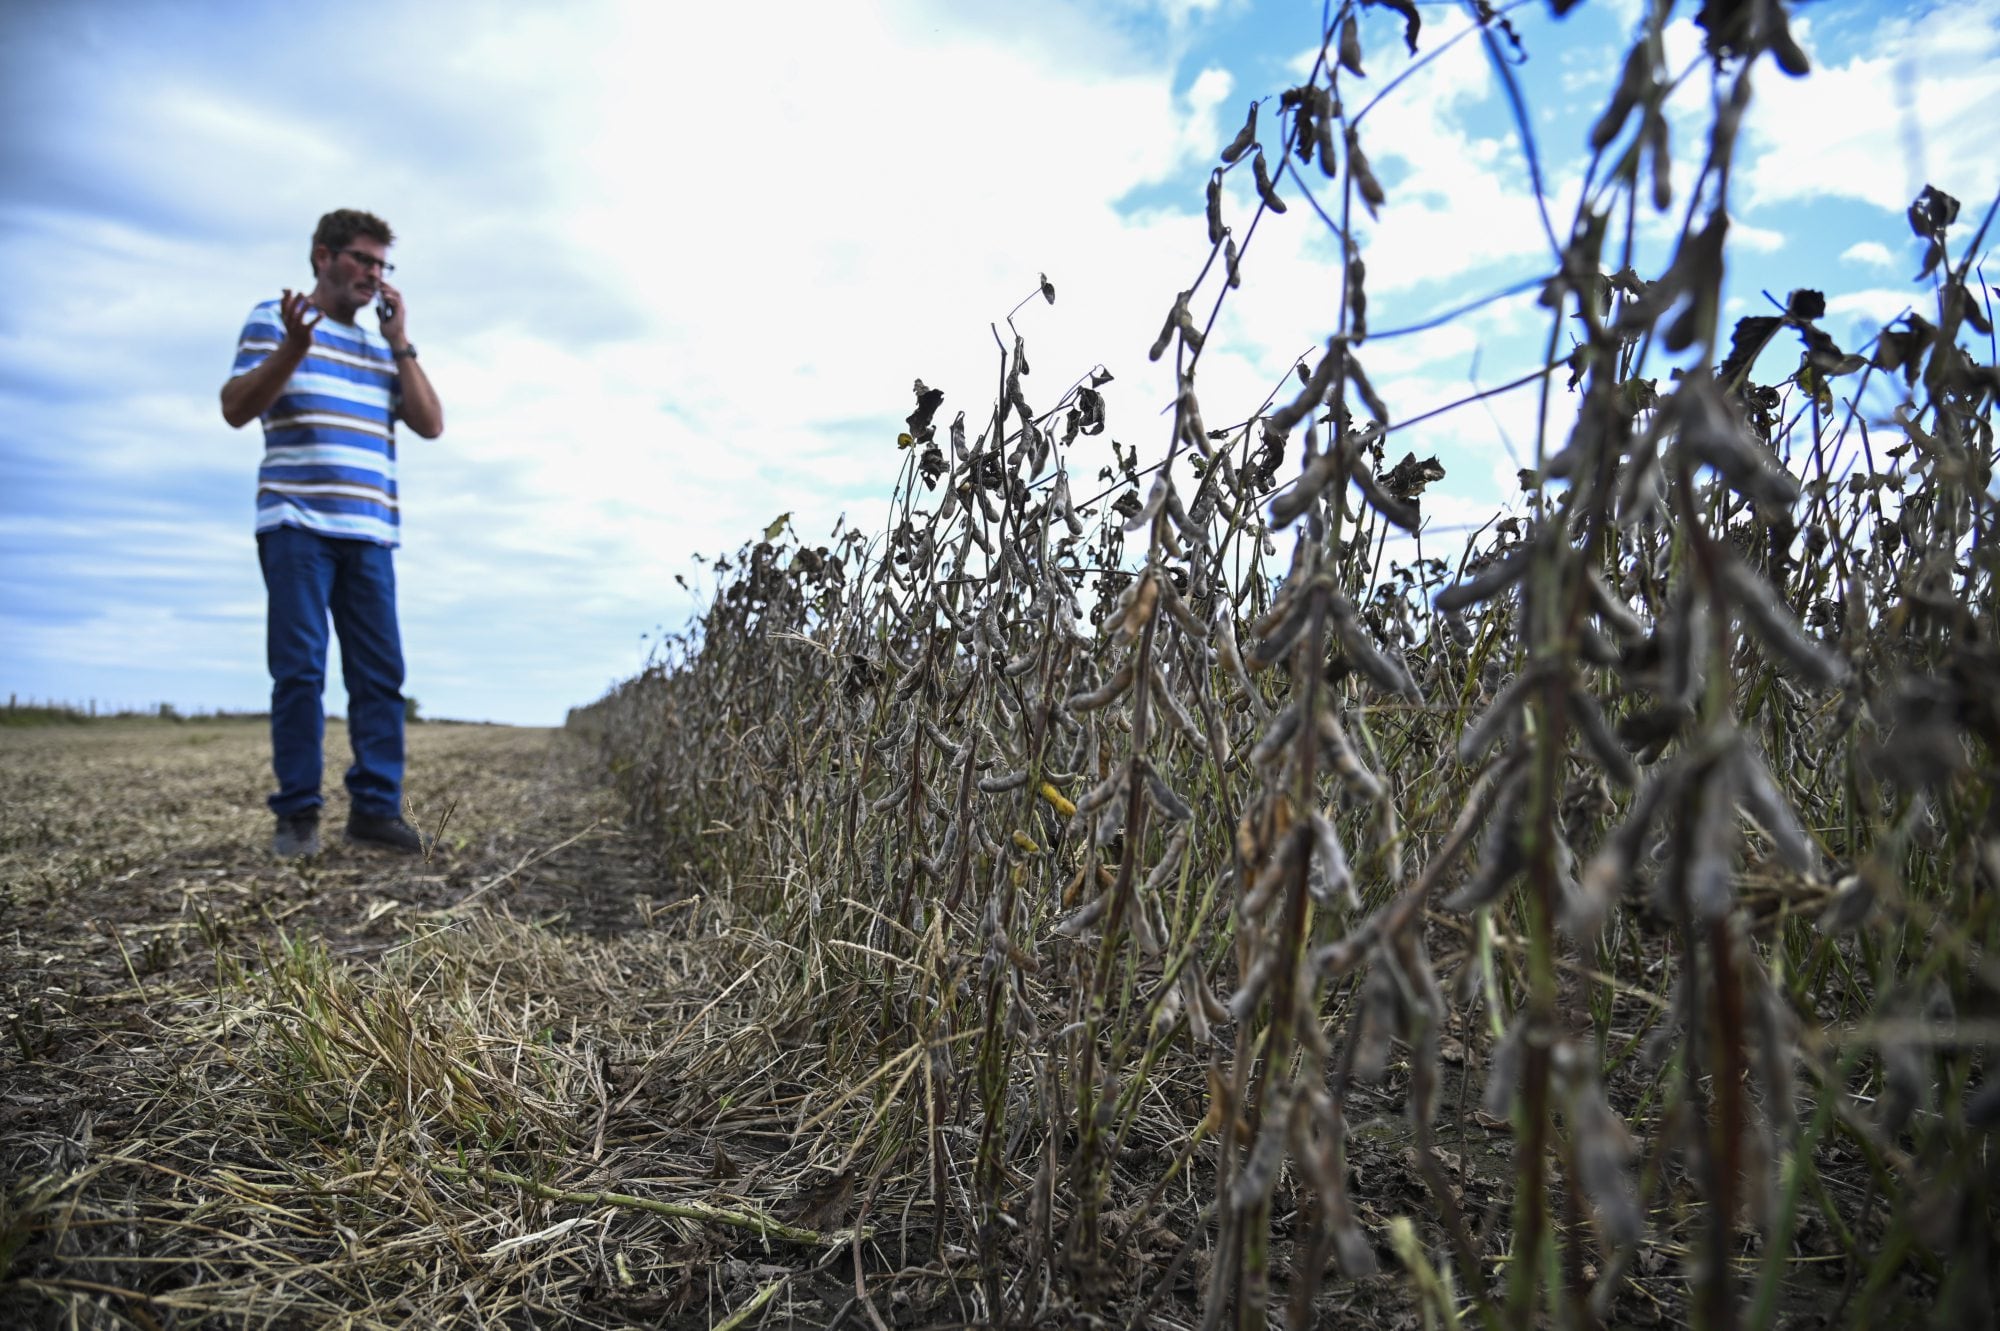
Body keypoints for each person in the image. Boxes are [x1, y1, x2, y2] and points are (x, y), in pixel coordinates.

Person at [220, 209, 444, 857]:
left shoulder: (381, 350)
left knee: (380, 675)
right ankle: (297, 815)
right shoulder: (275, 319)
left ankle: (375, 811)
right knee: (300, 671)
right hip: (296, 526)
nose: (373, 275)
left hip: (370, 533)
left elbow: (430, 424)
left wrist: (402, 341)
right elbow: (236, 408)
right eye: (362, 260)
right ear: (323, 256)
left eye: (382, 265)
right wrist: (294, 346)